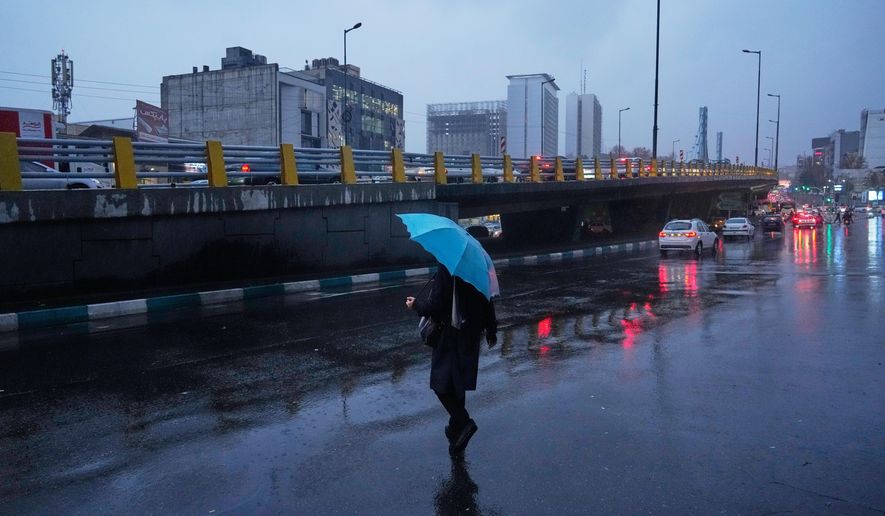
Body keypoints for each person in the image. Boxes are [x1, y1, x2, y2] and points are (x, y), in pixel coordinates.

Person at [406, 264, 497, 454]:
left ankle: (464, 423)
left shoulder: (447, 268)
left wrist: (416, 305)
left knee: (441, 385)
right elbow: (487, 298)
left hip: (450, 336)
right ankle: (456, 431)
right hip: (471, 334)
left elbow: (437, 306)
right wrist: (491, 329)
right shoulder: (476, 269)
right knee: (458, 383)